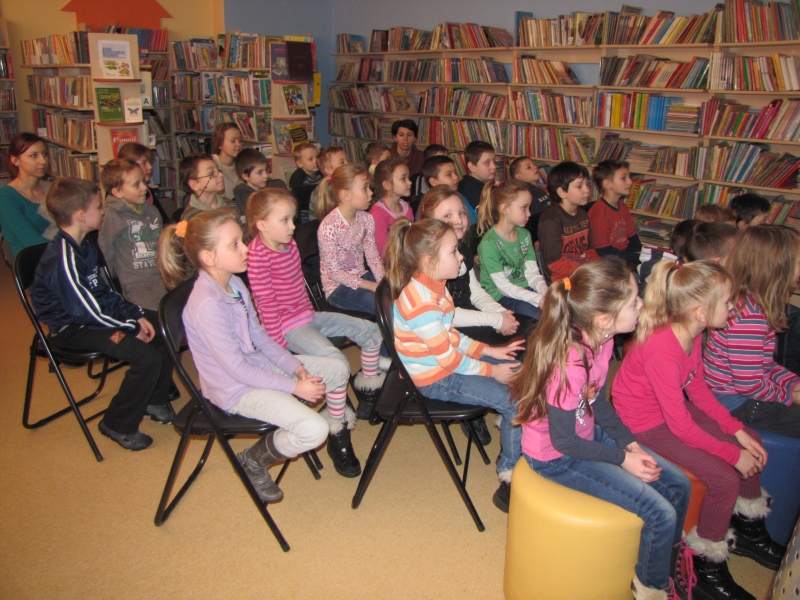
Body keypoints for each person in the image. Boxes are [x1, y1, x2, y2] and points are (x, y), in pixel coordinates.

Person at [511, 258, 691, 600]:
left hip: (585, 433)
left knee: (678, 484)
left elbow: (597, 401)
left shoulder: (603, 340)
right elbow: (564, 443)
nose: (641, 305)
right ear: (605, 319)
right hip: (555, 457)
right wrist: (622, 458)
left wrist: (629, 443)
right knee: (660, 513)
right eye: (634, 302)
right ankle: (653, 588)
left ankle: (669, 562)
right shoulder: (568, 365)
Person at [613, 259, 785, 599]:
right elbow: (680, 426)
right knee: (725, 478)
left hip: (668, 410)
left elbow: (699, 390)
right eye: (728, 301)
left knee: (752, 439)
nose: (733, 307)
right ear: (702, 313)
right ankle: (706, 564)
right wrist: (732, 455)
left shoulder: (691, 333)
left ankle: (748, 529)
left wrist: (737, 431)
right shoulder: (664, 349)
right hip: (644, 424)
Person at [158, 209, 354, 500]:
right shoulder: (207, 306)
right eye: (234, 244)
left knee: (338, 368)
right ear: (209, 257)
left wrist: (294, 366)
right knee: (314, 430)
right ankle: (252, 460)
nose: (246, 248)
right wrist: (294, 386)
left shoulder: (234, 283)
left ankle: (338, 429)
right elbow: (237, 369)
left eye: (242, 241)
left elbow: (260, 336)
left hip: (257, 367)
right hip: (235, 389)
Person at [386, 217, 525, 512]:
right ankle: (510, 476)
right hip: (436, 378)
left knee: (519, 371)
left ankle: (518, 434)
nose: (462, 256)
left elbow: (453, 336)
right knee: (515, 401)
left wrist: (491, 351)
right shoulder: (422, 304)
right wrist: (492, 369)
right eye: (453, 251)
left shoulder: (436, 286)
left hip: (446, 364)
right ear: (429, 261)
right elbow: (448, 359)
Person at [31, 178, 175, 451]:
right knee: (147, 358)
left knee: (162, 327)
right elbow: (85, 310)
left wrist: (134, 314)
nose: (103, 211)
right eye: (99, 207)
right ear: (81, 215)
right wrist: (131, 326)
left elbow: (104, 293)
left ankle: (153, 399)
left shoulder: (85, 245)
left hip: (93, 319)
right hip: (73, 329)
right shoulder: (63, 258)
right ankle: (117, 424)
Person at [246, 186, 387, 426]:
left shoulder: (289, 244)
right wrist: (278, 349)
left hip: (308, 315)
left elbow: (298, 287)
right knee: (337, 362)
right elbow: (265, 305)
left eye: (293, 219)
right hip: (287, 328)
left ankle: (368, 392)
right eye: (285, 220)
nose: (293, 226)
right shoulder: (258, 256)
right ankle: (337, 423)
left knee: (372, 332)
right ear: (262, 225)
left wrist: (312, 316)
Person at [419, 185, 521, 446]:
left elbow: (475, 291)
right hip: (452, 333)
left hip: (465, 323)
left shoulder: (458, 248)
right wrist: (494, 320)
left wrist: (500, 313)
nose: (458, 220)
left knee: (522, 340)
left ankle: (508, 405)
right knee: (509, 350)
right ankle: (481, 401)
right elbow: (448, 317)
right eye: (447, 216)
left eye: (462, 213)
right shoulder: (429, 267)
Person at [705, 225, 800, 439]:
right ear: (778, 268)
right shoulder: (750, 318)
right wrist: (791, 396)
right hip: (737, 403)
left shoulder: (750, 305)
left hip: (742, 395)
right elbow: (750, 385)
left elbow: (765, 366)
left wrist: (793, 382)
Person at [98, 159, 167, 311]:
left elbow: (162, 246)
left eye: (144, 181)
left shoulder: (152, 211)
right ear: (118, 192)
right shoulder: (111, 216)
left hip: (161, 278)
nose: (145, 187)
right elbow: (105, 254)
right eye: (137, 184)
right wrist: (106, 293)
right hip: (136, 285)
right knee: (159, 316)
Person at [316, 163, 384, 315]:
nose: (371, 193)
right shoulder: (328, 226)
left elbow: (373, 257)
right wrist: (372, 286)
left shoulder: (366, 219)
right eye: (365, 188)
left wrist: (382, 282)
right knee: (380, 305)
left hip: (361, 276)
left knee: (397, 291)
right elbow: (334, 272)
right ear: (346, 195)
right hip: (338, 287)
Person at [477, 179, 548, 320]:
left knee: (558, 310)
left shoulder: (525, 235)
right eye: (524, 208)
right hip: (502, 295)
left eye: (529, 208)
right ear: (504, 209)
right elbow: (504, 287)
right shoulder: (489, 244)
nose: (529, 213)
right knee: (538, 318)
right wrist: (538, 299)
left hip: (524, 289)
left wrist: (546, 294)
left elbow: (533, 274)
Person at [537, 161, 600, 283]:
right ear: (562, 192)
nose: (587, 190)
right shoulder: (550, 220)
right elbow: (554, 263)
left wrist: (599, 265)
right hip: (561, 281)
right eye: (579, 186)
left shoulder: (582, 214)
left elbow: (589, 249)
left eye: (587, 184)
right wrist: (587, 270)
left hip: (582, 273)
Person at [0, 132, 57, 256]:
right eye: (33, 155)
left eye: (44, 154)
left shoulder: (52, 188)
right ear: (15, 160)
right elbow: (32, 242)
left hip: (59, 252)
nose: (43, 161)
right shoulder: (6, 198)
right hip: (33, 259)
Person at [589, 159, 642, 267]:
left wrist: (642, 255)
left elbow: (632, 238)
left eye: (629, 177)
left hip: (622, 257)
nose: (630, 182)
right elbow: (604, 252)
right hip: (606, 263)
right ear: (607, 184)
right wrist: (637, 258)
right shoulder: (600, 214)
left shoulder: (622, 207)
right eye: (623, 178)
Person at [368, 157, 414, 257]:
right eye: (403, 179)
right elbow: (383, 251)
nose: (410, 182)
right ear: (387, 185)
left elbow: (413, 239)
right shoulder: (377, 213)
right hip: (391, 263)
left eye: (408, 178)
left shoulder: (406, 208)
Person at [179, 154, 242, 224]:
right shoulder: (191, 217)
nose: (221, 175)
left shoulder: (231, 205)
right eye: (212, 173)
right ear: (195, 184)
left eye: (218, 170)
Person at [117, 142, 171, 223]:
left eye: (150, 162)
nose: (150, 167)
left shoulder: (149, 191)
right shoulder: (118, 194)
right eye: (144, 163)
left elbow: (163, 221)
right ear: (129, 165)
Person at [420, 154, 477, 224]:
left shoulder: (459, 197)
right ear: (434, 181)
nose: (456, 177)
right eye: (449, 174)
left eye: (455, 173)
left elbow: (474, 221)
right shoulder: (427, 204)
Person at [509, 156, 549, 246]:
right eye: (529, 167)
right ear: (519, 176)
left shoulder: (544, 188)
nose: (535, 167)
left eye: (534, 164)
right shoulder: (523, 194)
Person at [309, 146, 348, 220]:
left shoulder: (349, 184)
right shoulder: (326, 190)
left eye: (348, 160)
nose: (348, 164)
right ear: (329, 170)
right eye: (342, 162)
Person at [457, 140, 496, 212]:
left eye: (494, 161)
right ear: (472, 167)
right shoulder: (468, 190)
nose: (494, 167)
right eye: (487, 163)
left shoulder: (490, 185)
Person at [232, 148, 270, 216]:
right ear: (246, 176)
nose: (266, 175)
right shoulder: (244, 198)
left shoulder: (261, 192)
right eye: (260, 172)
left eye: (266, 170)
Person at [210, 123, 242, 199]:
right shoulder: (211, 164)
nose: (238, 144)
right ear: (220, 144)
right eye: (233, 141)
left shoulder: (241, 165)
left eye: (240, 140)